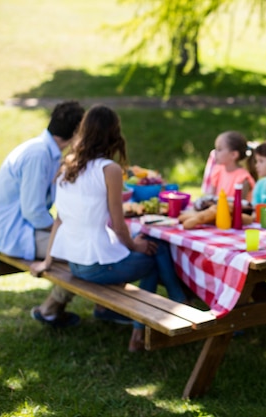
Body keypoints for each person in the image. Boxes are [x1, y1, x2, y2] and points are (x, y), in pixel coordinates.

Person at [29, 104, 188, 352]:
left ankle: (159, 316)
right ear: (113, 134)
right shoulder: (108, 169)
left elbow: (59, 219)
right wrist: (135, 245)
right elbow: (118, 223)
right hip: (97, 267)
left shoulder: (67, 165)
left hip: (76, 262)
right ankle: (170, 309)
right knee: (156, 250)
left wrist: (48, 261)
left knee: (148, 244)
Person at [0, 101, 85, 327]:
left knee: (85, 246)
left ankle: (55, 308)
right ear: (76, 133)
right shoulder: (38, 154)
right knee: (83, 251)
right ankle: (51, 309)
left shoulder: (47, 151)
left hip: (24, 228)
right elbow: (33, 211)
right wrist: (62, 230)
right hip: (14, 233)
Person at [208, 130, 256, 201]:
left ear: (234, 155)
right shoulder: (217, 170)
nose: (215, 152)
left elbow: (239, 207)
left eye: (219, 149)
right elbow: (211, 199)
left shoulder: (243, 179)